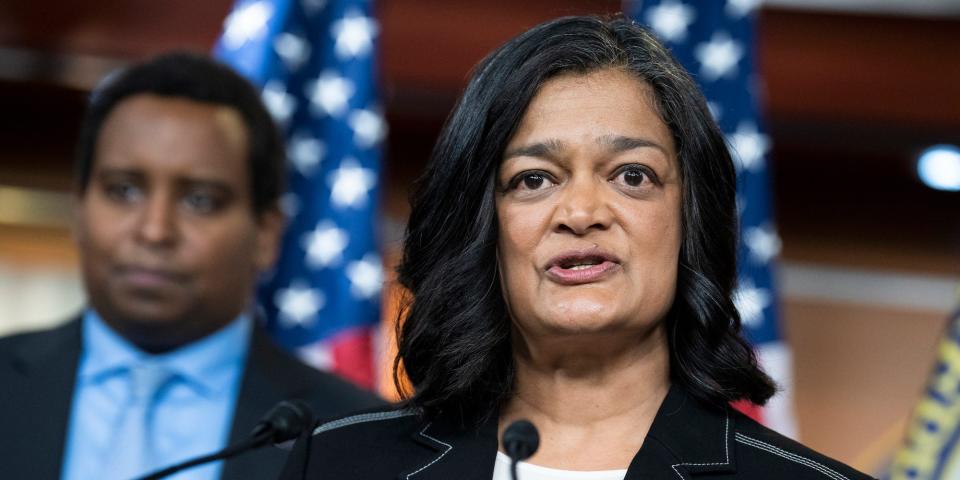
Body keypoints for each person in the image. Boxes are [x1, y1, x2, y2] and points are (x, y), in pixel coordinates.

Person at [279, 15, 873, 480]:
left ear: (691, 220)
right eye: (533, 179)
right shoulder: (334, 463)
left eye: (632, 175)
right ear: (479, 226)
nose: (582, 214)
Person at [0, 52, 382, 480]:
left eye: (200, 200)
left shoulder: (353, 433)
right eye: (123, 190)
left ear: (265, 234)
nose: (155, 230)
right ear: (79, 211)